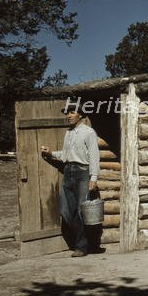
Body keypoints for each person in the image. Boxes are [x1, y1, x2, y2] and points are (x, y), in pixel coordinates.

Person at [41, 104, 100, 257]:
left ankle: (81, 246)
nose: (68, 115)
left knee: (81, 211)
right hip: (68, 171)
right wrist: (51, 153)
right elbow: (66, 155)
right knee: (66, 210)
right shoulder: (68, 133)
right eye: (66, 113)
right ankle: (83, 243)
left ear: (80, 115)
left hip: (82, 172)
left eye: (72, 112)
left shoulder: (89, 132)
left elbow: (94, 156)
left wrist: (93, 178)